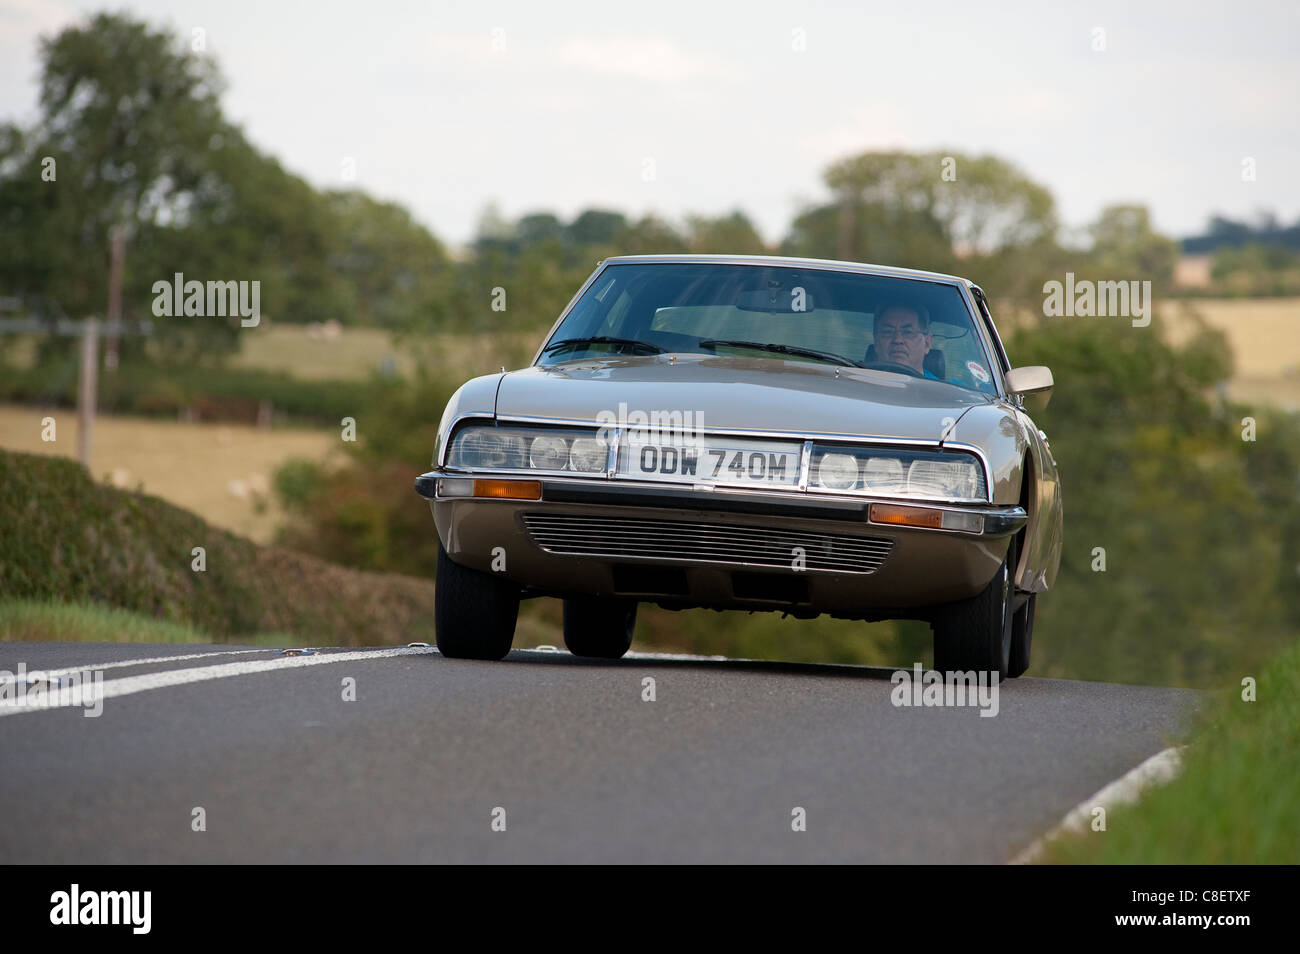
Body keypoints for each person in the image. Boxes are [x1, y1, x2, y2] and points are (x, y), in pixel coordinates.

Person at [870, 303, 939, 379]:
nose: (897, 340)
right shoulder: (859, 384)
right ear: (876, 342)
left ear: (927, 344)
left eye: (908, 332)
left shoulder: (946, 389)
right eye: (888, 331)